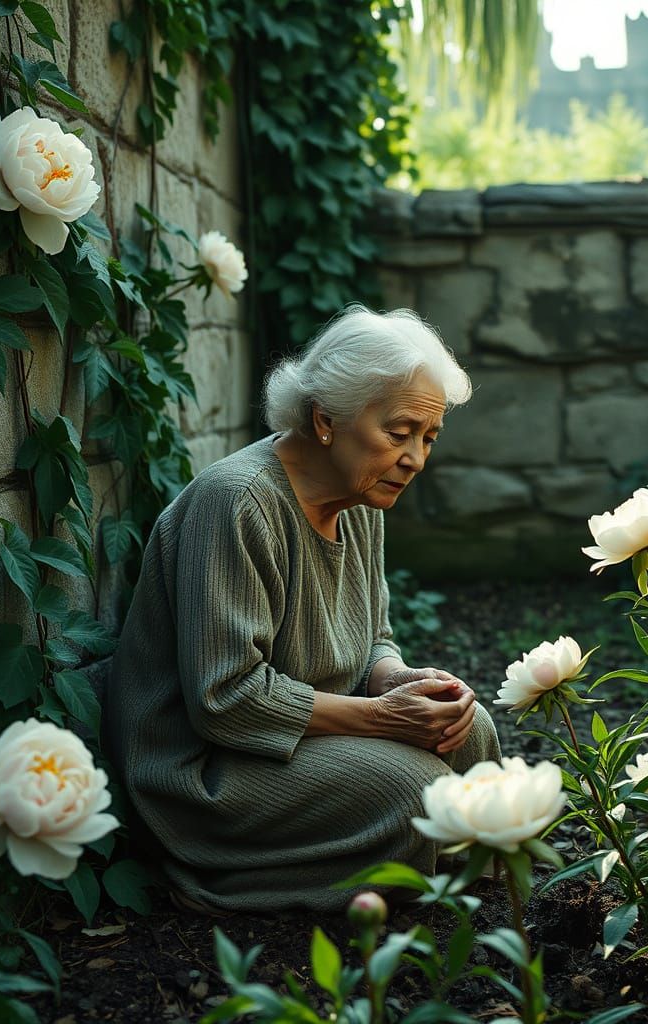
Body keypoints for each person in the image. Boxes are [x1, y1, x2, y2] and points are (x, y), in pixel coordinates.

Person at [104, 305, 501, 913]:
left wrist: (399, 680)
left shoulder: (361, 496)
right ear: (325, 420)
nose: (416, 458)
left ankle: (456, 892)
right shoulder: (238, 503)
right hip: (211, 768)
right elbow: (225, 699)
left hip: (307, 740)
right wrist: (383, 718)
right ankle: (238, 880)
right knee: (416, 790)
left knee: (469, 732)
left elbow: (375, 636)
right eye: (399, 433)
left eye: (429, 438)